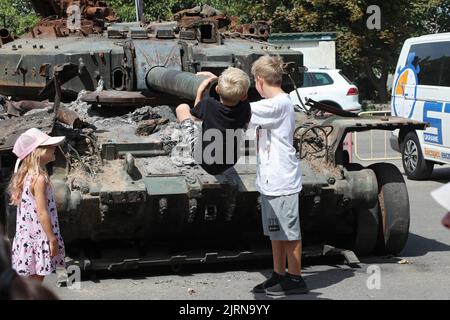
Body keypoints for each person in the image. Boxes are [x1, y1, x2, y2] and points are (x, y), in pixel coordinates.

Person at [249, 55, 308, 296]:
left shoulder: (278, 104)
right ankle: (279, 273)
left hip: (282, 179)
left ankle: (295, 278)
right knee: (276, 231)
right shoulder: (273, 104)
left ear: (260, 80)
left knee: (289, 233)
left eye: (254, 81)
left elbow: (241, 111)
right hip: (271, 179)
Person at [8, 128, 66, 283]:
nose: (55, 148)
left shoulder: (25, 175)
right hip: (39, 236)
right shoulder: (39, 178)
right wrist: (52, 239)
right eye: (50, 146)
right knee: (37, 280)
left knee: (32, 281)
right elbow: (42, 212)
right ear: (38, 152)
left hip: (28, 237)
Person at [175, 67, 251, 175]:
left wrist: (199, 92)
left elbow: (195, 117)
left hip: (203, 159)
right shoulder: (246, 107)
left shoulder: (208, 104)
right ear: (244, 96)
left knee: (182, 108)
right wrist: (218, 80)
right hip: (230, 161)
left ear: (217, 89)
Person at [0, 229, 58, 299]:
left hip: (28, 237)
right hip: (34, 237)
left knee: (33, 273)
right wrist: (52, 238)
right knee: (36, 273)